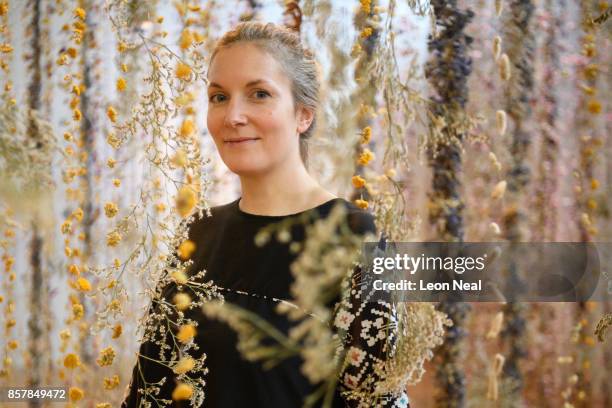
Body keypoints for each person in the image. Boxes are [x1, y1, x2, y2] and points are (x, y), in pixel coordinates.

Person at [122, 21, 410, 407]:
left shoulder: (357, 239)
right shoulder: (198, 232)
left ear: (303, 115)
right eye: (219, 97)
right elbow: (149, 390)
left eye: (259, 94)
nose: (233, 116)